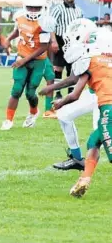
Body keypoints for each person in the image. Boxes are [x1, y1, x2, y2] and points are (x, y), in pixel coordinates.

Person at [52, 28, 112, 198]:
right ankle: (84, 179)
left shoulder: (89, 61)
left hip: (109, 109)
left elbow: (75, 94)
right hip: (107, 109)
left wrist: (60, 102)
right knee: (94, 141)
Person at [40, 18, 100, 171]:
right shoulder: (86, 49)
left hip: (105, 97)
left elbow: (75, 93)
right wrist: (51, 87)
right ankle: (77, 159)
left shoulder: (95, 52)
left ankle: (86, 177)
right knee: (64, 115)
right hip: (94, 93)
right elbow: (74, 78)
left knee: (100, 136)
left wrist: (61, 100)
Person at [0, 0, 53, 131]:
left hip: (38, 61)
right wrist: (8, 38)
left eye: (37, 8)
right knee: (16, 90)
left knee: (30, 92)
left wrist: (24, 61)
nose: (33, 10)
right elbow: (18, 30)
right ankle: (8, 120)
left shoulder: (45, 22)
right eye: (30, 7)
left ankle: (33, 112)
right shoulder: (19, 16)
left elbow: (43, 47)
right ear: (25, 6)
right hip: (22, 56)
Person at [50, 0, 83, 99]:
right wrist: (54, 41)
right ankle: (58, 93)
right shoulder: (58, 8)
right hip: (61, 39)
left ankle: (71, 93)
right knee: (58, 67)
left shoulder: (79, 10)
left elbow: (82, 26)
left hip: (74, 40)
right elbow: (51, 26)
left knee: (72, 68)